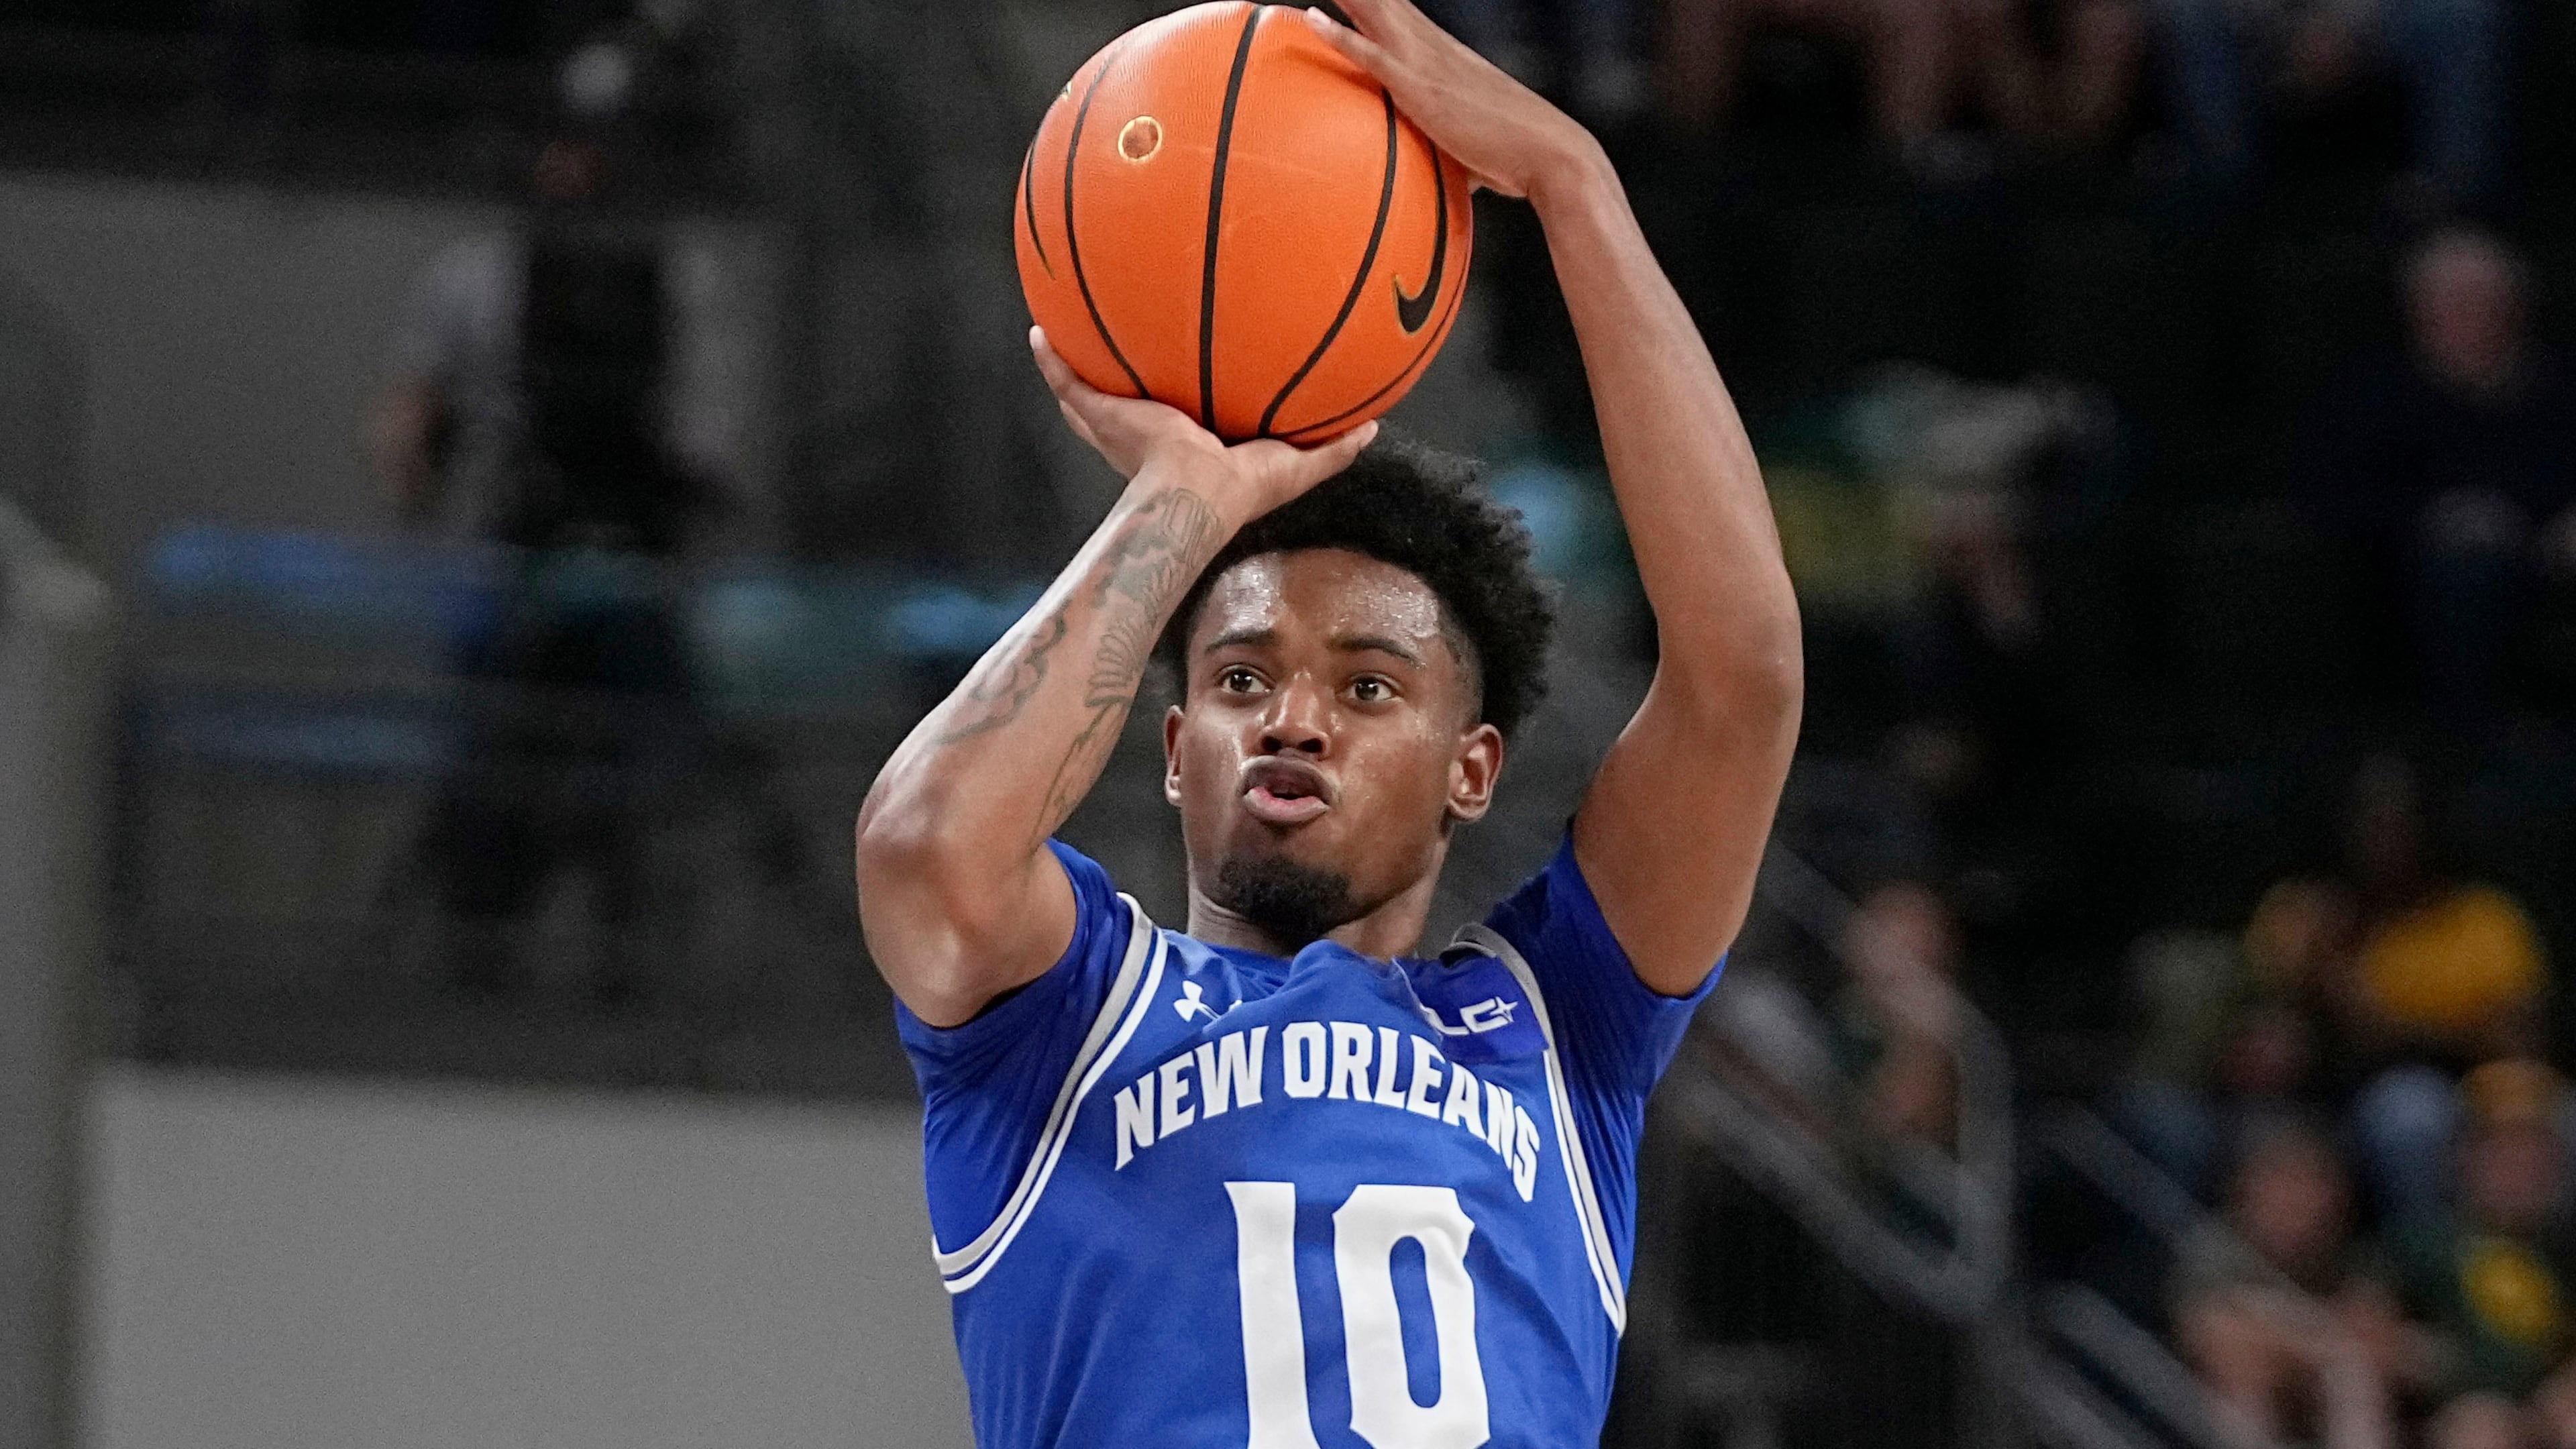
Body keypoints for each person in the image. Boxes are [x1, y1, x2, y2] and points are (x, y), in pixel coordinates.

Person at [853, 1, 1804, 1441]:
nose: (1294, 717)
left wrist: (1570, 184)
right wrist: (1186, 503)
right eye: (1240, 680)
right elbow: (927, 850)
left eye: (1369, 686)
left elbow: (1741, 680)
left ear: (1472, 769)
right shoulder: (1062, 1019)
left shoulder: (1559, 1029)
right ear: (1174, 754)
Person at [2297, 231, 2576, 722]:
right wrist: (2438, 520)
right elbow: (2338, 497)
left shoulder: (2557, 387)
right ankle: (2464, 739)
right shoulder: (2372, 394)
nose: (2467, 318)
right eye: (2449, 304)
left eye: (2482, 303)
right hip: (2413, 569)